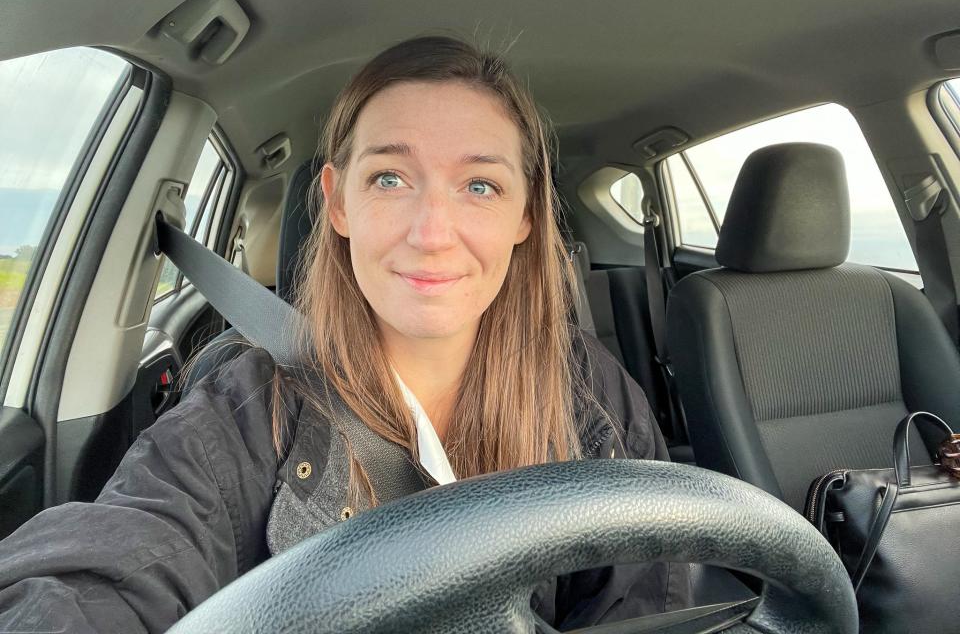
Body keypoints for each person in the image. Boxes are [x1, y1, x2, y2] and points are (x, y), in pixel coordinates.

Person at [0, 35, 689, 632]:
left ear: (524, 219)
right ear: (337, 203)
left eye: (480, 186)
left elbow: (648, 601)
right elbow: (115, 565)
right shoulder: (243, 415)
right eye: (390, 178)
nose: (431, 234)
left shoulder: (587, 391)